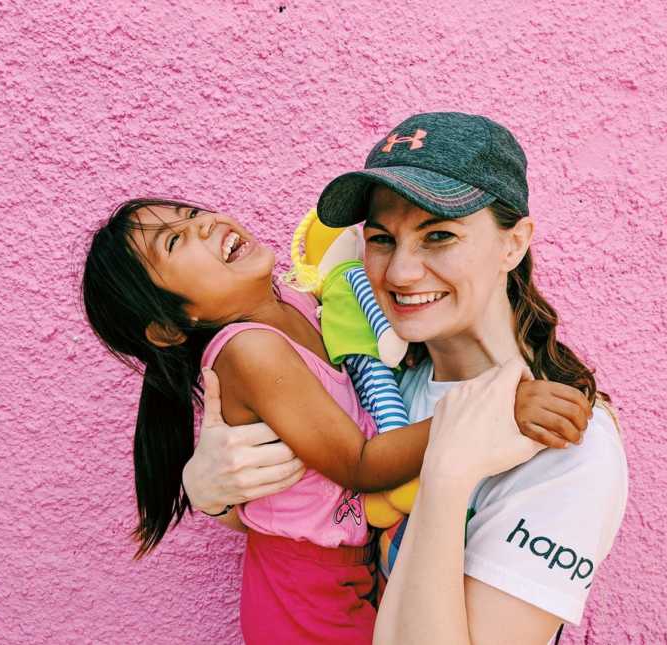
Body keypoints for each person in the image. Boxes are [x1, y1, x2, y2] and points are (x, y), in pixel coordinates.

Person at [185, 112, 628, 644]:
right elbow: (314, 515)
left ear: (514, 244)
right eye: (382, 239)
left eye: (438, 235)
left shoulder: (564, 444)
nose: (399, 273)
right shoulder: (387, 385)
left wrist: (446, 474)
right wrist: (211, 493)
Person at [80, 195, 590, 645]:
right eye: (175, 242)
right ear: (170, 328)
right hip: (304, 591)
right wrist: (497, 410)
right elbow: (360, 463)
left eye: (191, 214)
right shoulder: (250, 352)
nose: (206, 224)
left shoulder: (300, 305)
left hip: (346, 564)